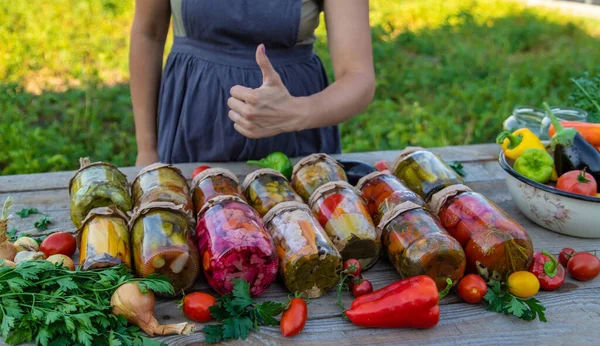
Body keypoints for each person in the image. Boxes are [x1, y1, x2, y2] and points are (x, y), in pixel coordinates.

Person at [130, 0, 375, 166]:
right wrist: (147, 149)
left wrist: (299, 112)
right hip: (194, 128)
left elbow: (358, 77)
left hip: (296, 142)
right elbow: (148, 34)